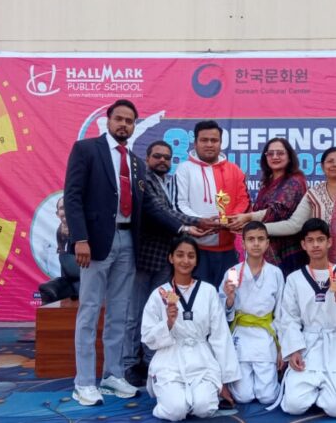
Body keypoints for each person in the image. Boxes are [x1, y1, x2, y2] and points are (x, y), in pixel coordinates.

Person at [233, 146, 336, 395]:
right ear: (322, 167)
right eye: (330, 161)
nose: (335, 165)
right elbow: (293, 224)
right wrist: (257, 229)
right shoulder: (314, 194)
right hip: (327, 267)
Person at [64, 99, 183, 406]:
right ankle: (84, 381)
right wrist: (80, 239)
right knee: (90, 311)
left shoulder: (136, 162)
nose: (124, 125)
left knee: (120, 312)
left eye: (129, 121)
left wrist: (184, 227)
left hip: (129, 242)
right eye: (119, 119)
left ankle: (112, 374)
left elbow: (149, 207)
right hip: (95, 243)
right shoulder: (87, 150)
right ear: (108, 120)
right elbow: (73, 196)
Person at [124, 140, 215, 386]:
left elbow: (171, 211)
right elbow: (158, 212)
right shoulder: (144, 179)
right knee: (135, 313)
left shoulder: (168, 183)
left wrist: (194, 223)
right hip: (144, 257)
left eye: (167, 157)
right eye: (157, 156)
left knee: (158, 312)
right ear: (147, 158)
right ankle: (129, 363)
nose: (162, 160)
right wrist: (194, 223)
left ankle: (149, 360)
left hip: (165, 257)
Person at [274, 218, 336, 418]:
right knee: (293, 405)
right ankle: (319, 391)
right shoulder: (294, 279)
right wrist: (293, 350)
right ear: (303, 245)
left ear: (329, 242)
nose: (316, 245)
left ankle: (329, 391)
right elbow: (289, 318)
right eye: (310, 241)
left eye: (320, 239)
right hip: (307, 345)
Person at [141, 235, 241, 421]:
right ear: (171, 258)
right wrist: (168, 324)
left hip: (201, 359)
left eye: (191, 256)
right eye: (180, 255)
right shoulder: (159, 294)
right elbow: (147, 336)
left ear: (196, 261)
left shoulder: (208, 291)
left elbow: (220, 335)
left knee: (204, 408)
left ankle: (194, 397)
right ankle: (172, 399)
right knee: (176, 410)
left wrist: (225, 381)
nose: (185, 261)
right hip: (170, 360)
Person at [175, 120, 250, 287]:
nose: (209, 144)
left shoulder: (234, 169)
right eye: (204, 140)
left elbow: (243, 200)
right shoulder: (184, 169)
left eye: (214, 140)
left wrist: (231, 220)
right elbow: (180, 205)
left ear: (221, 143)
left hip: (229, 252)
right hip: (196, 251)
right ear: (195, 142)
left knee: (231, 291)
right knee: (198, 295)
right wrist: (201, 221)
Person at [218, 221, 285, 405]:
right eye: (251, 239)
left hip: (265, 336)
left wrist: (282, 348)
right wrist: (229, 299)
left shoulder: (275, 273)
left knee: (268, 396)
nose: (256, 244)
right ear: (243, 243)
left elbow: (281, 312)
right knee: (243, 396)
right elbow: (219, 310)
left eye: (260, 239)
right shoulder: (233, 272)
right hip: (241, 336)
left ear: (267, 243)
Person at [230, 138, 308, 276]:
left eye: (280, 153)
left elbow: (277, 213)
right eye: (270, 153)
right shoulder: (267, 182)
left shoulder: (294, 181)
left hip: (287, 251)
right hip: (264, 247)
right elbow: (259, 210)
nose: (275, 157)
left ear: (289, 157)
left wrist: (248, 220)